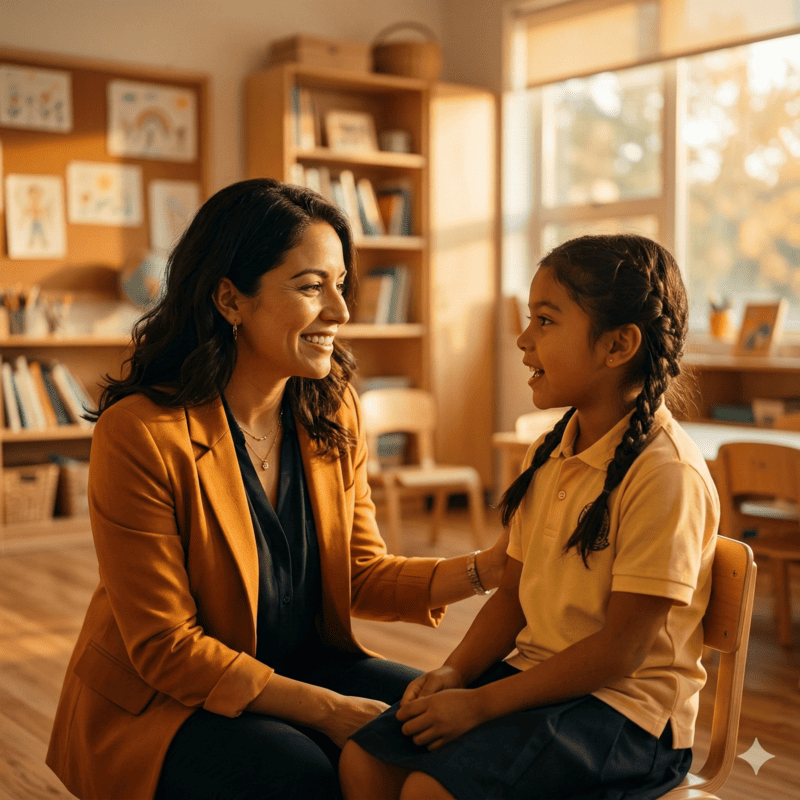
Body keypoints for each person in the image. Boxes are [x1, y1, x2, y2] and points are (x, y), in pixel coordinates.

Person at [46, 178, 508, 800]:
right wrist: (330, 710)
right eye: (312, 286)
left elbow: (361, 574)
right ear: (230, 299)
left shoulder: (332, 409)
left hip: (306, 664)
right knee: (302, 773)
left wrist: (488, 568)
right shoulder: (141, 432)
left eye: (340, 284)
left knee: (462, 725)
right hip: (167, 700)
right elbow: (166, 647)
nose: (341, 311)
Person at [340, 234, 720, 800]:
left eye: (545, 321)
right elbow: (513, 596)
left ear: (618, 345)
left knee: (429, 791)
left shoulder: (667, 474)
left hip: (626, 716)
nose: (522, 339)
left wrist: (480, 704)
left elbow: (621, 651)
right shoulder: (547, 453)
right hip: (538, 680)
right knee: (365, 762)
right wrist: (455, 673)